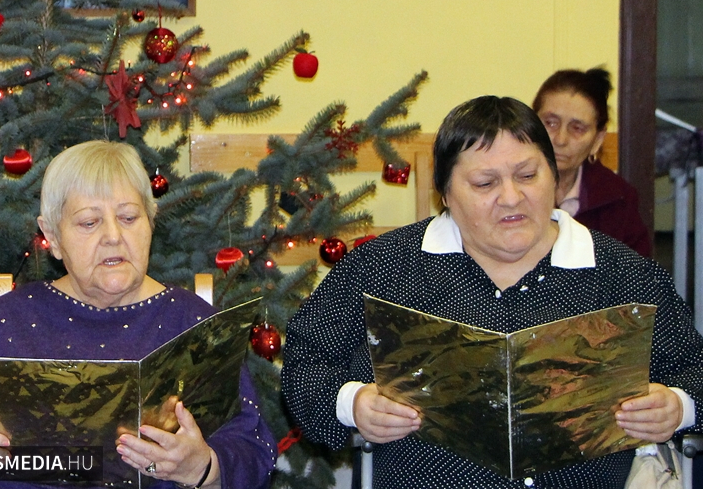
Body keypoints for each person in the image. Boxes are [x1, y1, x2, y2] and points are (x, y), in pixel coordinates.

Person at [281, 96, 703, 488]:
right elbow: (304, 365)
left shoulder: (621, 274)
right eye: (485, 183)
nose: (511, 197)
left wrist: (678, 406)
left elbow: (695, 370)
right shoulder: (385, 268)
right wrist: (352, 404)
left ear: (554, 177)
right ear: (444, 193)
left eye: (528, 175)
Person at [0, 141, 276, 489]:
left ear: (151, 221)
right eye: (88, 222)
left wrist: (205, 467)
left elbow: (255, 449)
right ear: (51, 236)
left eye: (129, 217)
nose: (113, 236)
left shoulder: (192, 320)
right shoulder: (12, 318)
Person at [532, 67, 653, 257]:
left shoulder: (618, 200)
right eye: (550, 123)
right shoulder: (505, 190)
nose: (560, 139)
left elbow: (638, 278)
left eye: (577, 128)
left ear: (597, 140)